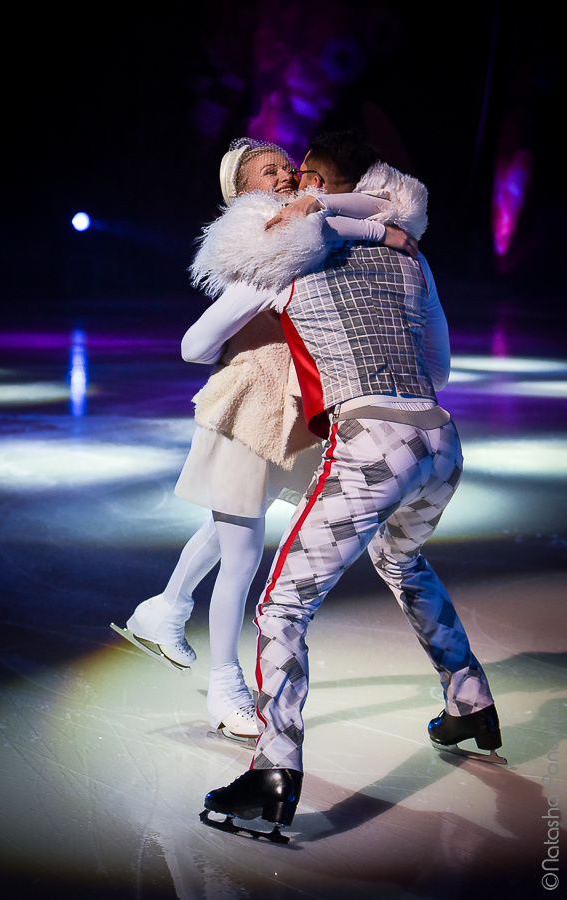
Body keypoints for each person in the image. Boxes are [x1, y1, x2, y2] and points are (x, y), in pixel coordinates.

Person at [194, 131, 504, 838]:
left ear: (317, 183)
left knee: (280, 608)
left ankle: (273, 774)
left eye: (301, 174)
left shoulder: (282, 251)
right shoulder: (409, 252)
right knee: (401, 559)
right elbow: (443, 362)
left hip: (372, 446)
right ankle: (469, 701)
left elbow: (196, 342)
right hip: (440, 441)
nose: (292, 183)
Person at [112, 136, 418, 742]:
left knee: (234, 522)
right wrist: (252, 326)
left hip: (292, 413)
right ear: (243, 194)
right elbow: (193, 346)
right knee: (245, 549)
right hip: (250, 408)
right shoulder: (267, 254)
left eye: (287, 167)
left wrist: (381, 232)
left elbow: (367, 207)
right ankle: (226, 684)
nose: (284, 176)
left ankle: (166, 608)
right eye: (268, 172)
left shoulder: (307, 231)